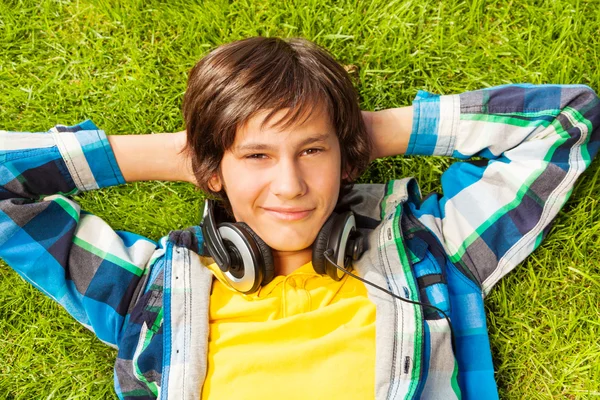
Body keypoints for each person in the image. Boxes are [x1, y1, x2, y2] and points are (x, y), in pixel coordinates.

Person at [0, 36, 598, 400]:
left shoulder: (432, 252)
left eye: (311, 151)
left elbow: (567, 122)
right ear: (211, 171)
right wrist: (174, 153)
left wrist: (365, 133)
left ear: (345, 160)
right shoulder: (147, 293)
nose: (289, 184)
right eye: (256, 156)